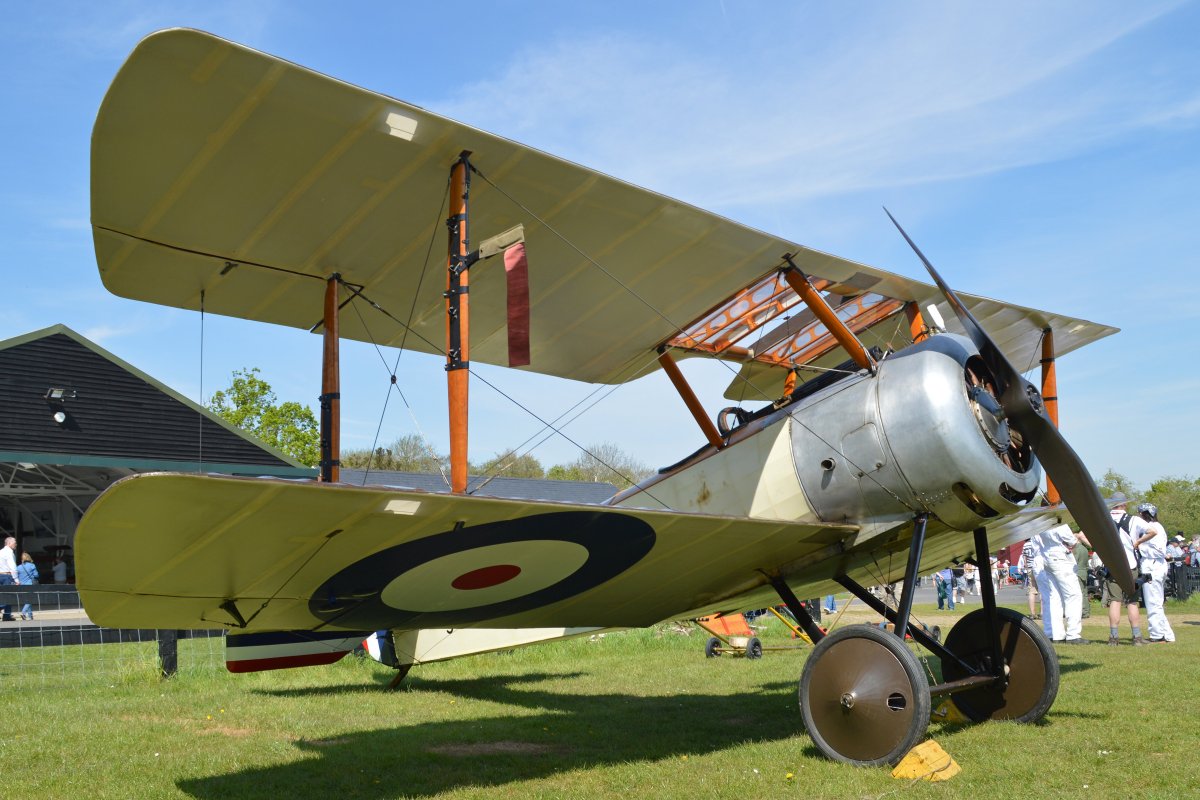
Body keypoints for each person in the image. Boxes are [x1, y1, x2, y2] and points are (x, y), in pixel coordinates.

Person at [1100, 493, 1146, 646]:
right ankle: (1137, 637)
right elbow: (1153, 531)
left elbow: (1083, 535)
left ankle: (1114, 637)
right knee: (1132, 601)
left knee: (1115, 601)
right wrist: (1138, 542)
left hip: (1112, 565)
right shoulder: (1134, 519)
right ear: (1125, 505)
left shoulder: (1103, 518)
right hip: (1130, 565)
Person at [1035, 519, 1088, 643]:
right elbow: (1072, 541)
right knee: (1073, 595)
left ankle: (1056, 634)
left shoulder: (1039, 522)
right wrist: (1075, 539)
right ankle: (1073, 634)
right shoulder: (1056, 521)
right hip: (1060, 557)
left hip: (1046, 557)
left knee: (1054, 597)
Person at [1132, 503, 1176, 643]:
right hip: (1156, 565)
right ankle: (1167, 634)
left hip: (1153, 565)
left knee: (1152, 602)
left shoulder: (1154, 529)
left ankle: (1157, 634)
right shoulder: (1158, 527)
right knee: (1156, 601)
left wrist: (1139, 546)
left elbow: (1158, 551)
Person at [15, 552, 38, 620]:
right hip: (30, 584)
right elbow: (36, 575)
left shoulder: (18, 567)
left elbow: (16, 576)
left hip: (22, 585)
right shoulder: (32, 565)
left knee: (27, 600)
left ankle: (30, 616)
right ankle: (23, 612)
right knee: (30, 599)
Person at [0, 536, 18, 621]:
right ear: (9, 543)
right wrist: (16, 579)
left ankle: (7, 615)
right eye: (15, 542)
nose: (16, 544)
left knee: (2, 595)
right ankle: (6, 614)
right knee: (9, 595)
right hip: (7, 576)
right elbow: (13, 567)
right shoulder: (9, 552)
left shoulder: (0, 552)